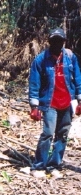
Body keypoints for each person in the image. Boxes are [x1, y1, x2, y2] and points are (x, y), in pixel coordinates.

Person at [28, 27, 81, 177]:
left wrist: (80, 100)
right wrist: (34, 106)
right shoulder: (40, 60)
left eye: (60, 40)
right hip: (49, 102)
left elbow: (77, 79)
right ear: (49, 42)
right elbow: (34, 83)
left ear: (63, 42)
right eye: (54, 40)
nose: (57, 44)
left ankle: (54, 165)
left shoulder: (70, 57)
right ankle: (38, 166)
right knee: (47, 133)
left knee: (63, 134)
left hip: (66, 102)